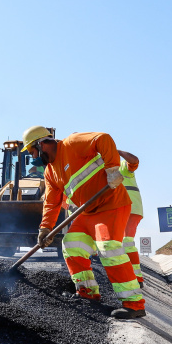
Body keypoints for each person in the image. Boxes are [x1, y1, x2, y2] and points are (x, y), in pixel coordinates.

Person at [22, 126, 146, 319]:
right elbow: (52, 203)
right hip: (87, 212)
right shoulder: (50, 172)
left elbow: (103, 138)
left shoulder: (72, 143)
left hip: (111, 204)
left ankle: (134, 304)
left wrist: (112, 169)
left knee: (108, 248)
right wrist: (45, 228)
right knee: (71, 245)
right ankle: (87, 293)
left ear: (41, 144)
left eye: (32, 152)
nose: (33, 158)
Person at [118, 150, 144, 287]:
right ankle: (132, 277)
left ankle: (137, 279)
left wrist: (117, 151)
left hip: (131, 209)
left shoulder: (122, 167)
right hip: (121, 210)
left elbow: (134, 160)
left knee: (126, 242)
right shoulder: (102, 171)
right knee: (120, 243)